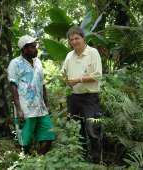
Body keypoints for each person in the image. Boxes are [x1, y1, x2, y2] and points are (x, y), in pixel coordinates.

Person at [7, 35, 55, 154]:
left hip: (41, 107)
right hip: (25, 108)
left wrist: (47, 103)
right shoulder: (15, 63)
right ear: (24, 49)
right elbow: (13, 86)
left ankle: (40, 159)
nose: (36, 49)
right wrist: (18, 109)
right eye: (33, 47)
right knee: (24, 140)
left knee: (48, 135)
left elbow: (42, 83)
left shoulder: (38, 62)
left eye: (35, 46)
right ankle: (26, 162)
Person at [61, 26, 103, 163]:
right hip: (73, 98)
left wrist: (78, 79)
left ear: (83, 38)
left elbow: (97, 75)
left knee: (93, 130)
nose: (74, 41)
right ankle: (81, 160)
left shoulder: (93, 52)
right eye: (71, 39)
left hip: (90, 98)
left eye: (76, 38)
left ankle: (97, 161)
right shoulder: (69, 55)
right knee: (77, 130)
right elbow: (64, 74)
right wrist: (67, 82)